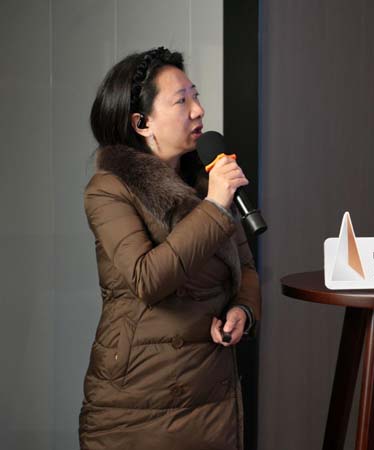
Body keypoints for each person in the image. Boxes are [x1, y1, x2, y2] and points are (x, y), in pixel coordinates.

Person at [79, 47, 260, 450]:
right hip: (139, 404)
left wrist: (243, 311)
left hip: (210, 396)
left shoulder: (206, 183)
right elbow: (148, 278)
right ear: (142, 123)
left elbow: (245, 268)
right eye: (181, 101)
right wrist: (215, 207)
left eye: (196, 96)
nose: (198, 110)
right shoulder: (108, 189)